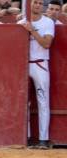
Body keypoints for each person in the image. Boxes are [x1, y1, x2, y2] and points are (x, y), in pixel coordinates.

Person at [18, 0, 55, 149]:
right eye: (35, 2)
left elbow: (46, 44)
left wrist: (32, 30)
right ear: (29, 4)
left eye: (40, 3)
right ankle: (25, 138)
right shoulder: (20, 22)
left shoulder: (47, 22)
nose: (38, 5)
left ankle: (43, 139)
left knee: (43, 101)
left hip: (40, 64)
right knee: (23, 102)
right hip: (23, 65)